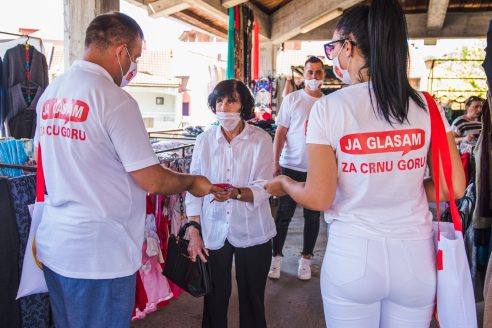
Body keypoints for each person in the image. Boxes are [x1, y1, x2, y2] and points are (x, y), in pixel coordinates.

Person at [266, 1, 466, 327]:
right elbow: (453, 186)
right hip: (415, 262)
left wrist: (284, 184)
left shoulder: (330, 109)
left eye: (333, 49)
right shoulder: (426, 105)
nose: (333, 60)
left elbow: (319, 197)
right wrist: (403, 183)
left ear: (349, 47)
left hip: (353, 258)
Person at [34, 13, 220, 328]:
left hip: (58, 246)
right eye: (135, 57)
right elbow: (150, 177)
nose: (134, 66)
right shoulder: (115, 100)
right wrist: (191, 181)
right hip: (99, 254)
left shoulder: (52, 93)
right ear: (121, 51)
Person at [186, 79, 276, 328]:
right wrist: (193, 229)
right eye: (219, 101)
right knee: (214, 298)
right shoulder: (203, 141)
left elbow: (265, 186)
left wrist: (236, 193)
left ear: (244, 105)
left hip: (253, 229)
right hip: (214, 230)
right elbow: (193, 186)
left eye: (231, 101)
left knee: (252, 300)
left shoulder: (261, 140)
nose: (224, 107)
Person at [269, 56, 325, 281]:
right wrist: (275, 163)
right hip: (290, 167)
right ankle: (276, 259)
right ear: (304, 75)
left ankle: (306, 260)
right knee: (283, 215)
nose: (313, 77)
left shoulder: (327, 103)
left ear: (323, 76)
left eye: (318, 73)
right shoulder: (292, 99)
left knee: (313, 217)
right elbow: (280, 134)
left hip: (316, 170)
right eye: (310, 72)